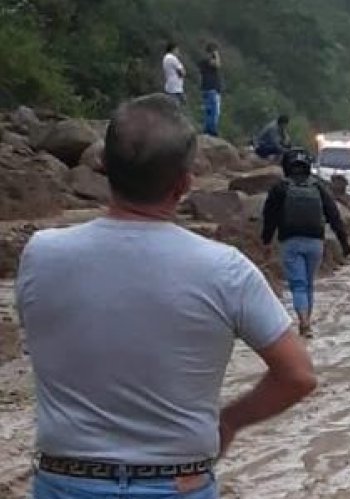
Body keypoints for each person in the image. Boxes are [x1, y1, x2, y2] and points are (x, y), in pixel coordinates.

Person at [16, 94, 316, 499]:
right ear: (184, 183)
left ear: (103, 167)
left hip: (64, 480)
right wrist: (229, 422)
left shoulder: (41, 254)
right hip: (177, 482)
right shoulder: (225, 270)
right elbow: (297, 375)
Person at [262, 148, 350, 338]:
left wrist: (266, 241)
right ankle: (307, 323)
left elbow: (269, 217)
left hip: (290, 241)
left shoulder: (280, 187)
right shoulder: (317, 186)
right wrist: (344, 243)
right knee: (308, 283)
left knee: (298, 284)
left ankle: (304, 322)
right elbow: (334, 215)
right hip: (315, 243)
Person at [198, 43, 222, 136]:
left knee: (208, 112)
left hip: (205, 89)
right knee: (214, 112)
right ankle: (211, 131)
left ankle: (207, 130)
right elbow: (218, 64)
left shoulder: (202, 62)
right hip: (212, 89)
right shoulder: (208, 61)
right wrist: (216, 54)